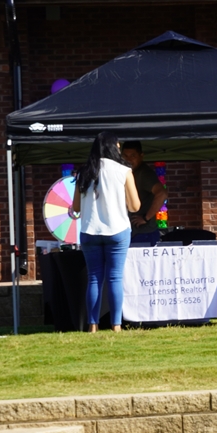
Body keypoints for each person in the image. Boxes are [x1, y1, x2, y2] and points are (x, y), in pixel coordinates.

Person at [72, 132, 141, 333]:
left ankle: (92, 325)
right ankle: (116, 325)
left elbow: (76, 207)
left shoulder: (84, 172)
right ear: (113, 147)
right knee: (115, 278)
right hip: (117, 230)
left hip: (90, 231)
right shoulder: (123, 170)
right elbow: (135, 206)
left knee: (94, 278)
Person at [120, 141, 168, 247]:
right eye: (125, 156)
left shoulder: (144, 173)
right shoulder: (127, 172)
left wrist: (146, 218)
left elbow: (162, 193)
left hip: (143, 233)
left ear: (141, 156)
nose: (128, 160)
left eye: (133, 156)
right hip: (131, 233)